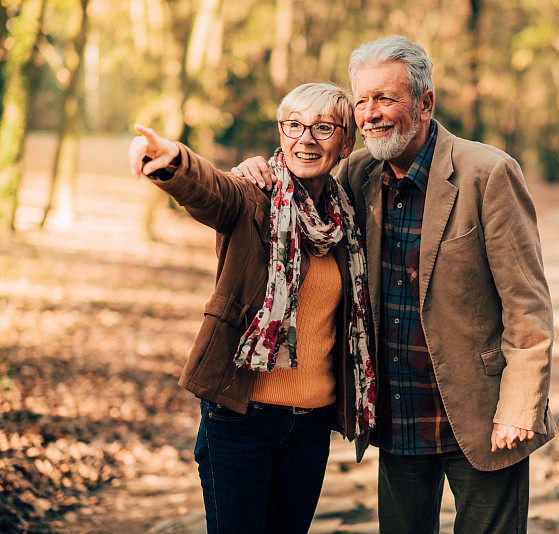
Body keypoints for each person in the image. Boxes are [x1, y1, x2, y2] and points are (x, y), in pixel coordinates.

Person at [233, 36, 556, 534]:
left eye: (385, 98)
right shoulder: (357, 174)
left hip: (484, 415)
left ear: (425, 102)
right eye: (361, 101)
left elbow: (527, 310)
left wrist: (519, 408)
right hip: (398, 413)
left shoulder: (488, 173)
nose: (370, 114)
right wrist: (254, 170)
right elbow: (296, 184)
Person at [127, 83, 376, 534]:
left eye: (322, 127)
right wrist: (172, 161)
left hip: (310, 427)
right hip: (241, 418)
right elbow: (211, 191)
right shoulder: (253, 194)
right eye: (293, 125)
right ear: (280, 132)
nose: (306, 139)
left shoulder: (347, 218)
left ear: (345, 141)